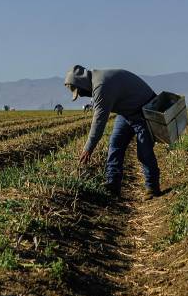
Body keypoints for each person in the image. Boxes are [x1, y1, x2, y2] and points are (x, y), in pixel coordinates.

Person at [64, 65, 162, 198]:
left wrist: (88, 148)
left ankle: (152, 187)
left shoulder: (101, 85)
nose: (81, 95)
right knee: (115, 144)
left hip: (142, 111)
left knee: (144, 151)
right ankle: (113, 185)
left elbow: (99, 121)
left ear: (82, 84)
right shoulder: (96, 81)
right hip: (126, 112)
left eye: (80, 92)